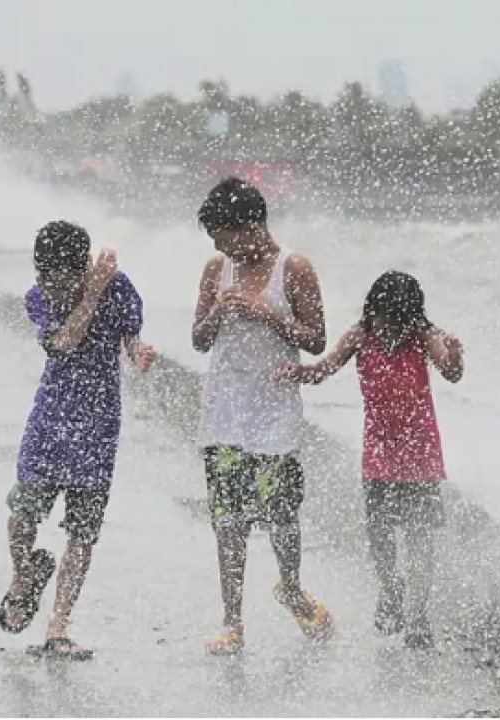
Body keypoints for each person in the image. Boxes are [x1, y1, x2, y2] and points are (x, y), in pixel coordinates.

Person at [278, 270, 464, 650]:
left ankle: (418, 615)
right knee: (379, 531)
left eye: (397, 321)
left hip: (419, 450)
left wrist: (456, 354)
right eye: (383, 318)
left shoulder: (422, 335)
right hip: (379, 449)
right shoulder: (360, 335)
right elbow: (323, 370)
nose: (388, 328)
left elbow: (452, 372)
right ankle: (391, 590)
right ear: (373, 310)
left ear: (411, 317)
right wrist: (298, 372)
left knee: (418, 534)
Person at [0, 220, 155, 661]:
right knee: (22, 515)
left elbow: (130, 336)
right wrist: (91, 291)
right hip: (50, 422)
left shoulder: (117, 287)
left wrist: (138, 350)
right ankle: (22, 575)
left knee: (82, 532)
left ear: (83, 268)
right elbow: (66, 342)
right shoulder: (38, 299)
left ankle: (58, 625)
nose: (53, 289)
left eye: (63, 280)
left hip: (99, 429)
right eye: (47, 279)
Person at [191, 177, 334, 656]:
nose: (218, 246)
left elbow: (315, 339)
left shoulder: (293, 268)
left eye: (222, 235)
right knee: (228, 520)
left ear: (250, 225)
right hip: (224, 413)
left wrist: (262, 311)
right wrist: (216, 314)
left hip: (275, 413)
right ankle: (232, 622)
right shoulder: (217, 269)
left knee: (281, 516)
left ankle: (291, 588)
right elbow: (199, 339)